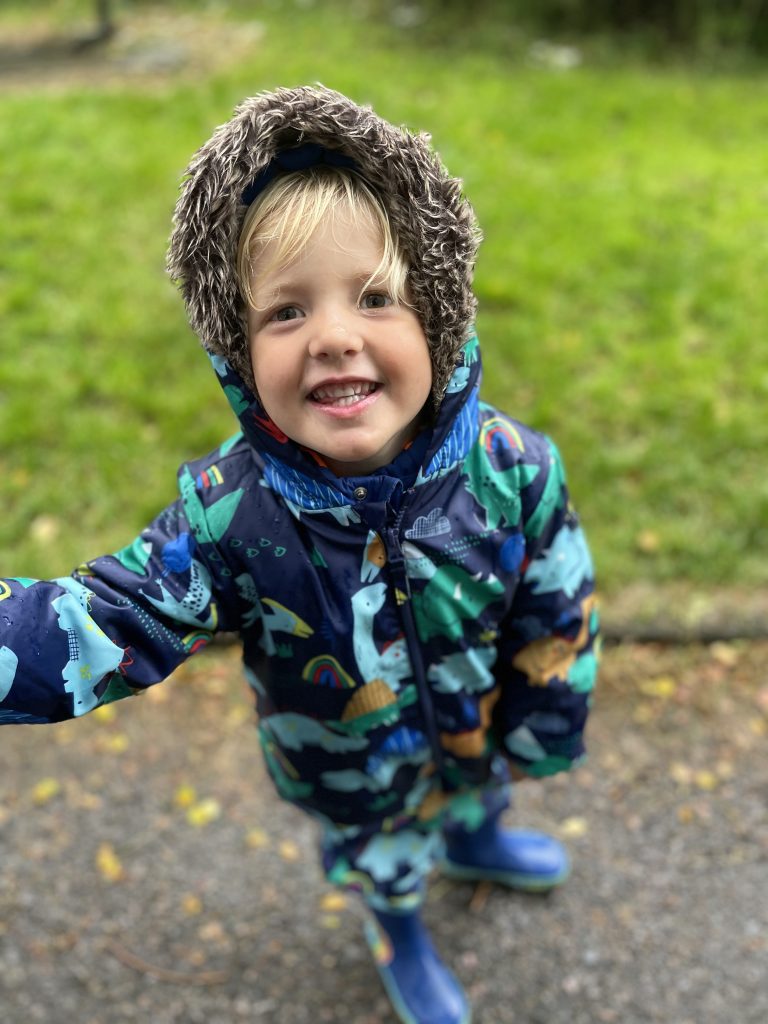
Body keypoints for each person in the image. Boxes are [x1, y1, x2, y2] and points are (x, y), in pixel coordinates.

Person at [0, 85, 599, 1024]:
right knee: (386, 856)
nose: (331, 336)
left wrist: (547, 722)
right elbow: (100, 623)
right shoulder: (229, 519)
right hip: (350, 769)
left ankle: (479, 837)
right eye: (285, 313)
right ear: (239, 354)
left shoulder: (513, 470)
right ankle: (397, 923)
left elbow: (558, 606)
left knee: (480, 789)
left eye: (373, 297)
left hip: (479, 722)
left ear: (437, 316)